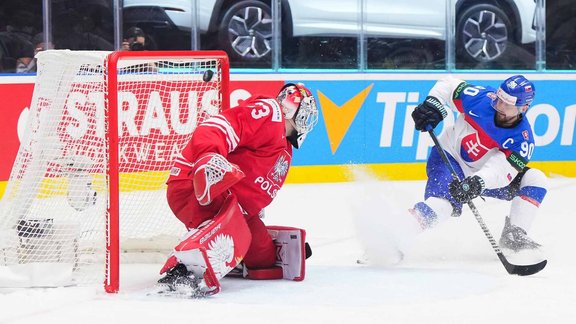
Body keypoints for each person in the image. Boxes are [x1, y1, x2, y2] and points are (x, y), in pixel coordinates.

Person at [156, 83, 319, 296]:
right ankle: (185, 269)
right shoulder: (270, 112)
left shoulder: (284, 147)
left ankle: (239, 258)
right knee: (232, 230)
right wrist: (209, 157)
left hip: (231, 205)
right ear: (290, 107)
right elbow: (219, 126)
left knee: (262, 255)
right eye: (305, 113)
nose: (306, 121)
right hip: (200, 185)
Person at [410, 75, 548, 253]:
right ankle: (395, 234)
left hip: (481, 177)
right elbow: (448, 84)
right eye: (499, 99)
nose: (499, 106)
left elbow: (501, 169)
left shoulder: (521, 140)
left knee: (535, 179)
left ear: (524, 108)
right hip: (449, 157)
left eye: (508, 104)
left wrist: (477, 182)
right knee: (442, 205)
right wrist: (433, 104)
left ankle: (514, 235)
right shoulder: (481, 99)